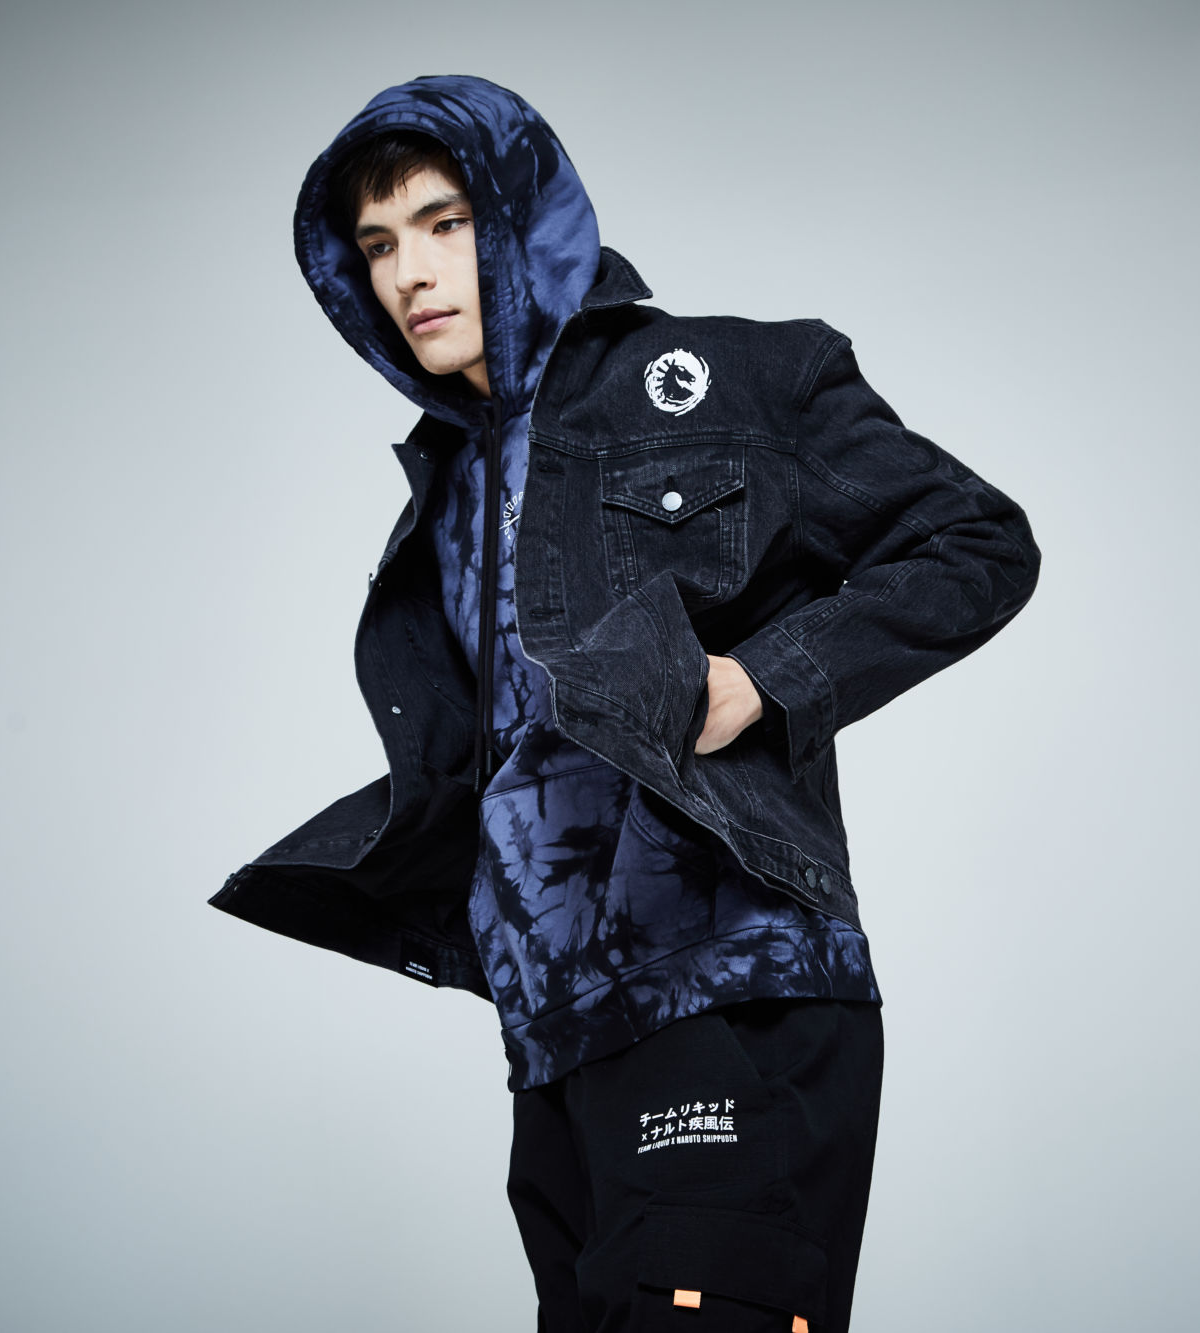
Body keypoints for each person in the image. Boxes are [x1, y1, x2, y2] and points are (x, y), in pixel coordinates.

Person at [210, 74, 1039, 1332]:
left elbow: (976, 541)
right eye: (376, 246)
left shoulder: (733, 376)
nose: (409, 274)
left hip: (728, 991)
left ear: (523, 218)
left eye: (443, 223)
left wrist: (759, 681)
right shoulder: (447, 486)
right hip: (554, 1041)